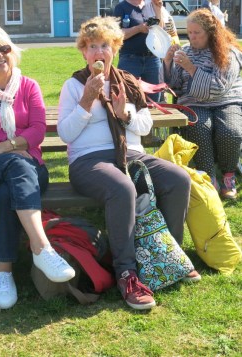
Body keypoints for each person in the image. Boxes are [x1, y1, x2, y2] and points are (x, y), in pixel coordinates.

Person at [57, 16, 199, 310]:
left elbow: (145, 126)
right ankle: (127, 272)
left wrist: (126, 115)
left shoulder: (128, 82)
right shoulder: (74, 85)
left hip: (130, 153)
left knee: (177, 179)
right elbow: (66, 133)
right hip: (88, 160)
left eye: (105, 46)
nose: (99, 52)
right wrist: (86, 102)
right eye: (92, 46)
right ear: (84, 52)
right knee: (123, 188)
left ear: (115, 49)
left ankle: (165, 256)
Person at [0, 24, 75, 310]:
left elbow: (38, 129)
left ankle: (4, 273)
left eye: (4, 48)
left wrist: (4, 146)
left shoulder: (29, 87)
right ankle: (41, 247)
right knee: (16, 164)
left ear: (13, 51)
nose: (0, 55)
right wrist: (12, 147)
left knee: (7, 192)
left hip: (29, 167)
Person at [163, 9, 242, 200]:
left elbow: (219, 88)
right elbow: (174, 86)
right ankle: (208, 178)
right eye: (189, 32)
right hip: (193, 102)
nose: (191, 37)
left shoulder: (228, 53)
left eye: (196, 33)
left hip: (225, 100)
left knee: (230, 131)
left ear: (210, 33)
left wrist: (191, 68)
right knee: (198, 126)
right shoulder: (186, 50)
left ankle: (228, 175)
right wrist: (167, 62)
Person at [113, 0, 164, 101]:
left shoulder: (151, 5)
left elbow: (160, 30)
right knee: (128, 97)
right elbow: (117, 34)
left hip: (152, 59)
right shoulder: (121, 7)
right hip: (130, 59)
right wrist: (138, 29)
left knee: (154, 99)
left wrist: (158, 10)